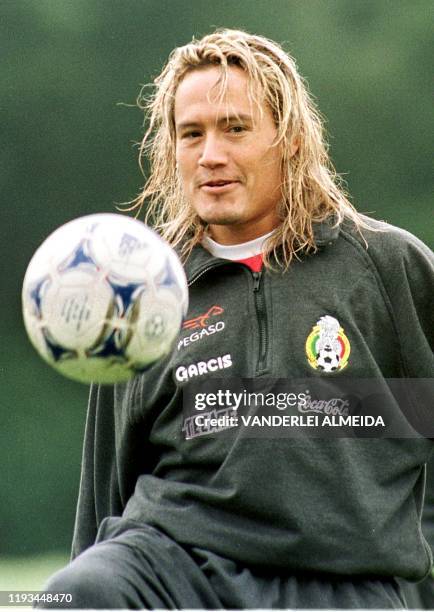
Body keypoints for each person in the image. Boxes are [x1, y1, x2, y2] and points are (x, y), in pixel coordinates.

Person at [39, 29, 434, 609]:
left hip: (345, 581)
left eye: (235, 128)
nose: (211, 155)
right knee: (76, 594)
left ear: (290, 138)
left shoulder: (384, 264)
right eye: (191, 134)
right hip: (177, 564)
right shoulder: (140, 290)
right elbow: (106, 484)